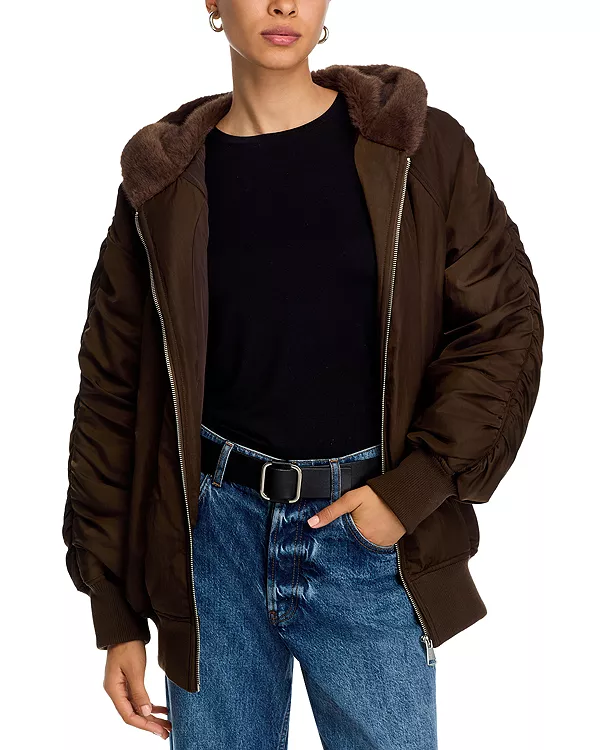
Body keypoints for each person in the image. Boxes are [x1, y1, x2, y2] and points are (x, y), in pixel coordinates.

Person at [62, 1, 544, 747]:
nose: (283, 4)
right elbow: (111, 394)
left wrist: (412, 489)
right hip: (211, 547)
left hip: (368, 538)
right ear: (214, 4)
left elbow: (502, 326)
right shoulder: (162, 186)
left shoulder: (418, 149)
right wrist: (116, 610)